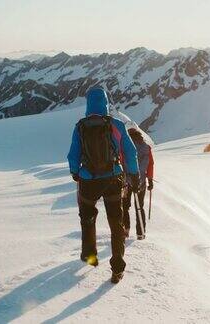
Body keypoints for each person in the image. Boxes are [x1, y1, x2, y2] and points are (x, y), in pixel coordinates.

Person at [67, 87, 140, 284]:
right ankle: (117, 268)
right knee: (116, 222)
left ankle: (90, 256)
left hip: (88, 180)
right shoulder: (115, 124)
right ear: (106, 103)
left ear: (88, 104)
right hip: (112, 179)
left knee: (87, 218)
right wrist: (134, 175)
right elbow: (130, 151)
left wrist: (76, 172)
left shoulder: (80, 126)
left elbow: (73, 154)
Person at [122, 128, 154, 240]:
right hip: (141, 181)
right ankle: (141, 233)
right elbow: (150, 164)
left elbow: (121, 162)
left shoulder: (126, 147)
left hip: (126, 182)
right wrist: (150, 180)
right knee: (139, 206)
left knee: (125, 207)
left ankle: (125, 230)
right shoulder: (146, 147)